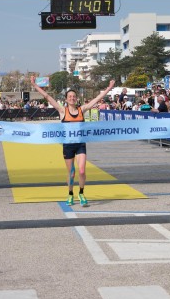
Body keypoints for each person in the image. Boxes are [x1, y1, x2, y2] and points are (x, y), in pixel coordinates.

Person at [30, 76, 115, 206]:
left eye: (74, 96)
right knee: (71, 173)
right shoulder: (62, 111)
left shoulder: (82, 110)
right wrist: (34, 85)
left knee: (81, 170)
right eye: (69, 96)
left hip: (80, 145)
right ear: (66, 99)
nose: (72, 98)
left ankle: (81, 193)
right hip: (68, 146)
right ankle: (70, 194)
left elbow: (97, 99)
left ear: (77, 98)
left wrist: (109, 88)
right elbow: (47, 97)